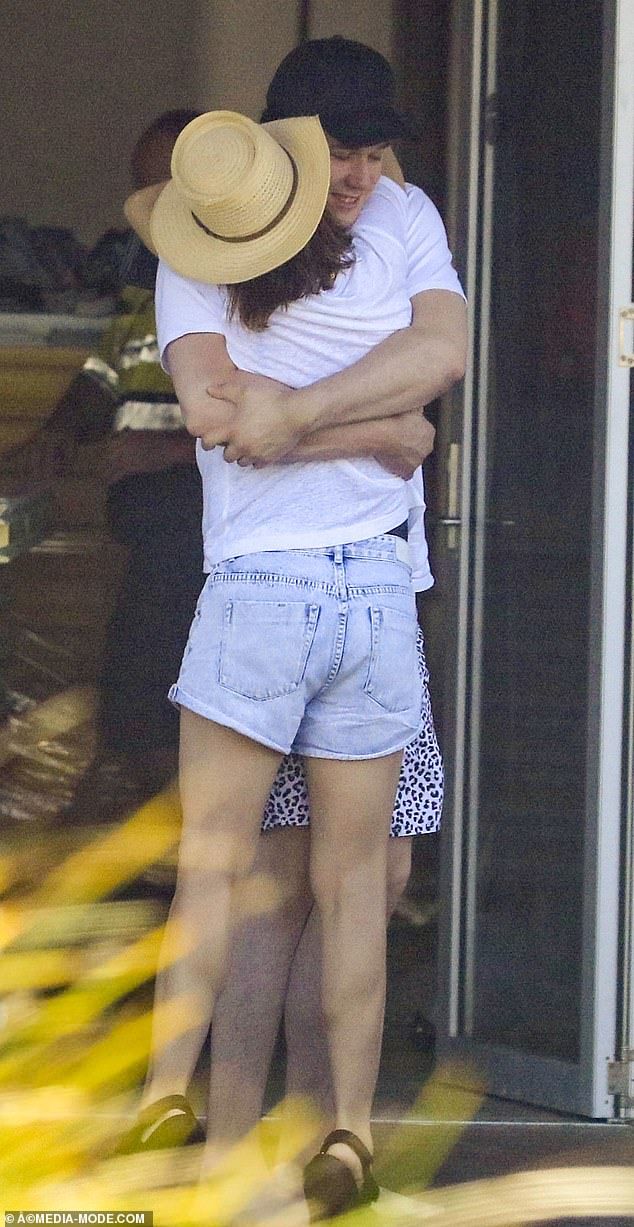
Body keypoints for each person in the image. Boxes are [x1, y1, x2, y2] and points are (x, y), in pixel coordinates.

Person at [121, 36, 466, 1217]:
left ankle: (194, 1107)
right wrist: (384, 431)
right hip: (360, 591)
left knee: (236, 868)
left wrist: (302, 415)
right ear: (293, 152)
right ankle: (325, 1133)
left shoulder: (386, 219)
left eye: (374, 150)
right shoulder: (236, 246)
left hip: (288, 593)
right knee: (342, 878)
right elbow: (240, 412)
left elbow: (246, 414)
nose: (362, 172)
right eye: (343, 153)